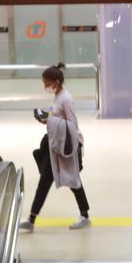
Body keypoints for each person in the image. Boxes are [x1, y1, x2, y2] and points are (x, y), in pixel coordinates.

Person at [19, 63, 91, 232]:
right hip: (55, 148)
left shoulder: (66, 98)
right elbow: (57, 115)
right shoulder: (58, 96)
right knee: (45, 182)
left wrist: (50, 119)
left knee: (74, 181)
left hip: (65, 148)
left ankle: (85, 216)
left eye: (46, 83)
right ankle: (31, 219)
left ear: (56, 82)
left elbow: (73, 125)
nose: (45, 86)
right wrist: (46, 115)